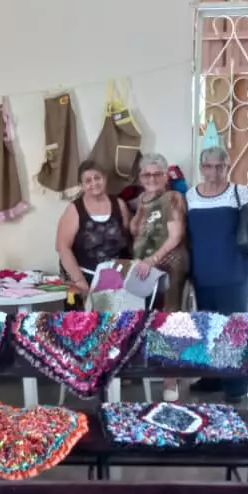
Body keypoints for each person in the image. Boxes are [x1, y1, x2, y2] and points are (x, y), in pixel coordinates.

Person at [185, 146, 248, 403]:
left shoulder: (239, 193)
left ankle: (236, 384)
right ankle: (213, 377)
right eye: (208, 166)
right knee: (208, 326)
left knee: (233, 328)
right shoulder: (191, 196)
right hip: (203, 273)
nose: (214, 171)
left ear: (227, 167)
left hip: (234, 272)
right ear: (201, 168)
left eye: (220, 166)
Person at [129, 152, 189, 402]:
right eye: (146, 174)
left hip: (169, 263)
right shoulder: (140, 201)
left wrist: (152, 261)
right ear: (140, 176)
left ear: (166, 176)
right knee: (137, 315)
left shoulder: (173, 198)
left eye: (157, 174)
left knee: (169, 318)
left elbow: (175, 236)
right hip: (144, 266)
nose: (151, 178)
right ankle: (138, 365)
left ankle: (169, 378)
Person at [55, 160, 132, 306]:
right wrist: (79, 281)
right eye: (88, 181)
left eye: (97, 178)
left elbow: (128, 238)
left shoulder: (119, 204)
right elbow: (62, 247)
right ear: (82, 185)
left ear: (105, 179)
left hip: (116, 280)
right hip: (85, 279)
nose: (94, 183)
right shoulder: (74, 209)